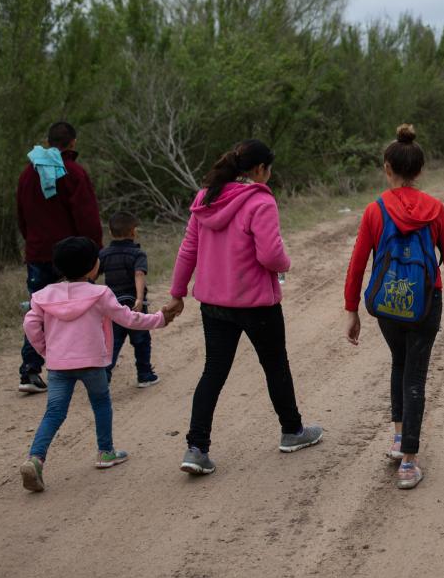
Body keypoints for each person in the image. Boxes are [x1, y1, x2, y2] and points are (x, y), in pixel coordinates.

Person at [166, 139, 323, 477]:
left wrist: (178, 293)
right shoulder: (260, 200)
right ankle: (292, 431)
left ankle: (196, 448)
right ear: (259, 170)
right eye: (269, 169)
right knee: (275, 366)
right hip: (255, 304)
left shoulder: (205, 197)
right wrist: (286, 263)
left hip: (213, 304)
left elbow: (188, 249)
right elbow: (269, 254)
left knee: (214, 372)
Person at [343, 124, 444, 491]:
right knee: (416, 374)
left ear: (387, 168)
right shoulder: (435, 208)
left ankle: (399, 438)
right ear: (421, 170)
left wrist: (351, 308)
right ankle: (409, 463)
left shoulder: (374, 210)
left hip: (387, 303)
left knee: (400, 362)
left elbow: (358, 262)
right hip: (428, 300)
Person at [19, 237, 173, 492]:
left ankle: (35, 459)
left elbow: (30, 325)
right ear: (93, 267)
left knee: (54, 412)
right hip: (93, 363)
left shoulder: (43, 296)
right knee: (101, 403)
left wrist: (46, 350)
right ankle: (105, 452)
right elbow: (128, 319)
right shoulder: (100, 294)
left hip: (59, 365)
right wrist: (160, 319)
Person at [15, 121, 102, 394]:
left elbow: (22, 215)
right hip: (71, 256)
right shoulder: (73, 173)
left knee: (38, 310)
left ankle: (30, 370)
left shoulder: (27, 174)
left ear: (49, 140)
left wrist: (32, 243)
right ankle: (81, 364)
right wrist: (93, 252)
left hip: (38, 252)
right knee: (78, 308)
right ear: (73, 143)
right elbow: (87, 217)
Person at [100, 211, 159, 387]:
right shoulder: (137, 254)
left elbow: (93, 273)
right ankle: (145, 374)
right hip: (134, 304)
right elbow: (139, 274)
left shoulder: (104, 254)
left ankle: (104, 377)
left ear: (110, 232)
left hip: (113, 305)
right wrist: (139, 299)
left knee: (113, 341)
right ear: (134, 232)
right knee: (141, 339)